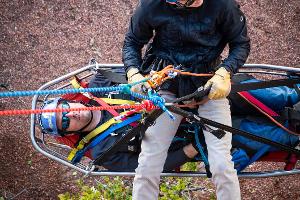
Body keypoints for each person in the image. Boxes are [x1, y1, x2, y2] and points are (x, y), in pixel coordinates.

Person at [122, 0, 250, 199]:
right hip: (165, 83)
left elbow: (240, 43)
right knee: (148, 164)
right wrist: (133, 72)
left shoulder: (223, 6)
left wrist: (225, 71)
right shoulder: (152, 4)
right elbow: (132, 41)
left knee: (222, 164)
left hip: (209, 83)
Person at [38, 72, 199, 172]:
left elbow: (145, 71)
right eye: (65, 122)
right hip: (191, 137)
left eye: (65, 108)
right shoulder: (102, 152)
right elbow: (148, 167)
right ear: (70, 133)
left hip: (188, 93)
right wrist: (195, 148)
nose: (72, 114)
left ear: (67, 100)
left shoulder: (101, 83)